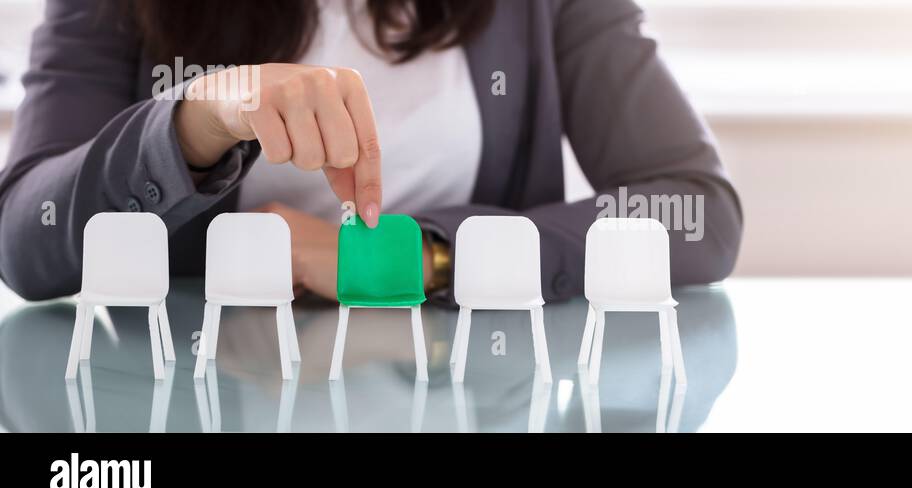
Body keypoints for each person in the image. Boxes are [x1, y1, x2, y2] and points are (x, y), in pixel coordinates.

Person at [0, 0, 742, 303]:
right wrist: (195, 120)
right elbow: (24, 238)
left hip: (464, 391)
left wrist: (411, 257)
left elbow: (692, 208)